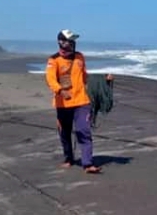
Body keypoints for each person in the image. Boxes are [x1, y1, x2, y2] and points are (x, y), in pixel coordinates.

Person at [44, 29, 113, 174]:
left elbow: (85, 76)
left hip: (81, 101)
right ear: (62, 43)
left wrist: (103, 79)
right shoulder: (53, 60)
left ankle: (87, 163)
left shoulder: (80, 57)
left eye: (73, 41)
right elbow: (50, 78)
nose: (72, 43)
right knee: (64, 132)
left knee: (83, 130)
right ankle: (69, 158)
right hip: (62, 103)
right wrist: (60, 90)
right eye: (69, 41)